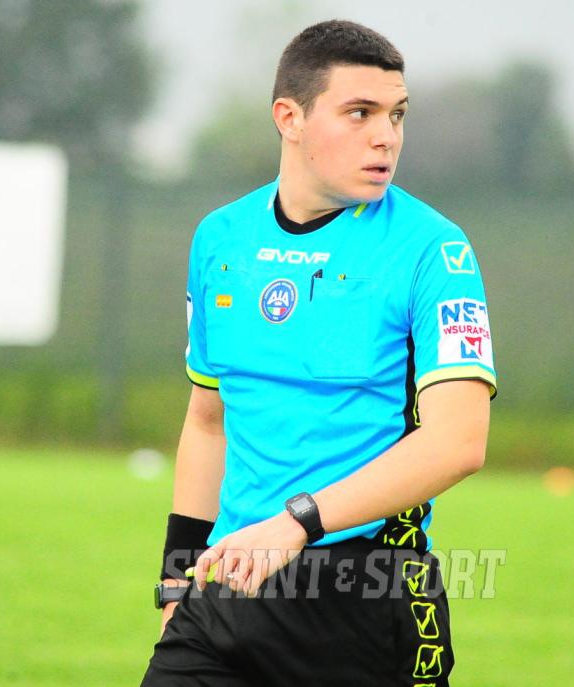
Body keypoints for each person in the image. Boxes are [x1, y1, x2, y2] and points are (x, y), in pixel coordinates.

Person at [140, 20, 497, 686]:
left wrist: (298, 523)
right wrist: (175, 580)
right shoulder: (221, 239)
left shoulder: (435, 251)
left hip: (366, 601)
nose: (386, 136)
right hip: (223, 594)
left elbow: (458, 442)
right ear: (290, 118)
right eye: (359, 113)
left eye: (396, 115)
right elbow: (208, 421)